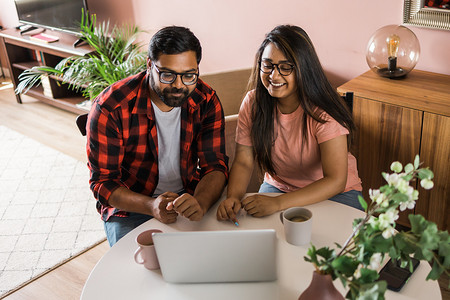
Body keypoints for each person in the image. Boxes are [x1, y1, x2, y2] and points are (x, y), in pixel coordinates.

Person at [87, 26, 228, 246]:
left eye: (189, 75)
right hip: (132, 207)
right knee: (136, 270)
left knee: (216, 256)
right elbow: (103, 184)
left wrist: (200, 202)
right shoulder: (111, 107)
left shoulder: (205, 100)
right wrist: (151, 206)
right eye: (168, 74)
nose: (179, 85)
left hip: (189, 196)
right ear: (149, 65)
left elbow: (215, 166)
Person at [217, 25, 362, 223]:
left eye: (286, 67)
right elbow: (243, 160)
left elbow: (335, 181)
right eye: (267, 65)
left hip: (336, 193)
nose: (274, 76)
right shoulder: (253, 102)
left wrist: (278, 203)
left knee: (329, 249)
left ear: (304, 69)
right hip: (279, 186)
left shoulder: (323, 112)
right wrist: (233, 197)